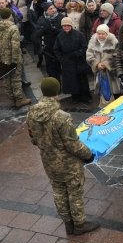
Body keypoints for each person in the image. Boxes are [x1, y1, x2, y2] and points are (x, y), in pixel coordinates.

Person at [26, 77, 99, 235]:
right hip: (68, 163)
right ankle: (79, 224)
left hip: (48, 161)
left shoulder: (32, 113)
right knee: (74, 192)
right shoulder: (62, 117)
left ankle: (68, 224)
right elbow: (73, 144)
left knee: (59, 191)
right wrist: (88, 155)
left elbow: (33, 139)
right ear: (57, 92)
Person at [0, 8, 32, 108]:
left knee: (6, 79)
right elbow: (15, 45)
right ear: (10, 16)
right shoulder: (13, 28)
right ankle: (19, 99)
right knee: (16, 79)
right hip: (13, 58)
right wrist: (14, 60)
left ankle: (11, 97)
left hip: (1, 58)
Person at [54, 15, 91, 104]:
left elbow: (84, 47)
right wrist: (61, 59)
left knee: (82, 81)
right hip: (68, 63)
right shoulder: (60, 36)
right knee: (72, 82)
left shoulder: (79, 34)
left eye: (68, 25)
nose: (66, 27)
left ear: (71, 25)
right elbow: (56, 49)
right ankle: (75, 97)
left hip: (79, 61)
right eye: (64, 26)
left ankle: (86, 97)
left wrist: (77, 53)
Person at [86, 24, 120, 106]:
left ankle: (113, 105)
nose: (100, 36)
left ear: (107, 33)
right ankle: (103, 105)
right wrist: (97, 64)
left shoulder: (113, 42)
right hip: (99, 71)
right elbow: (89, 56)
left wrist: (106, 64)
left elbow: (117, 56)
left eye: (103, 34)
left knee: (113, 90)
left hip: (111, 72)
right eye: (99, 33)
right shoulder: (93, 42)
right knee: (102, 89)